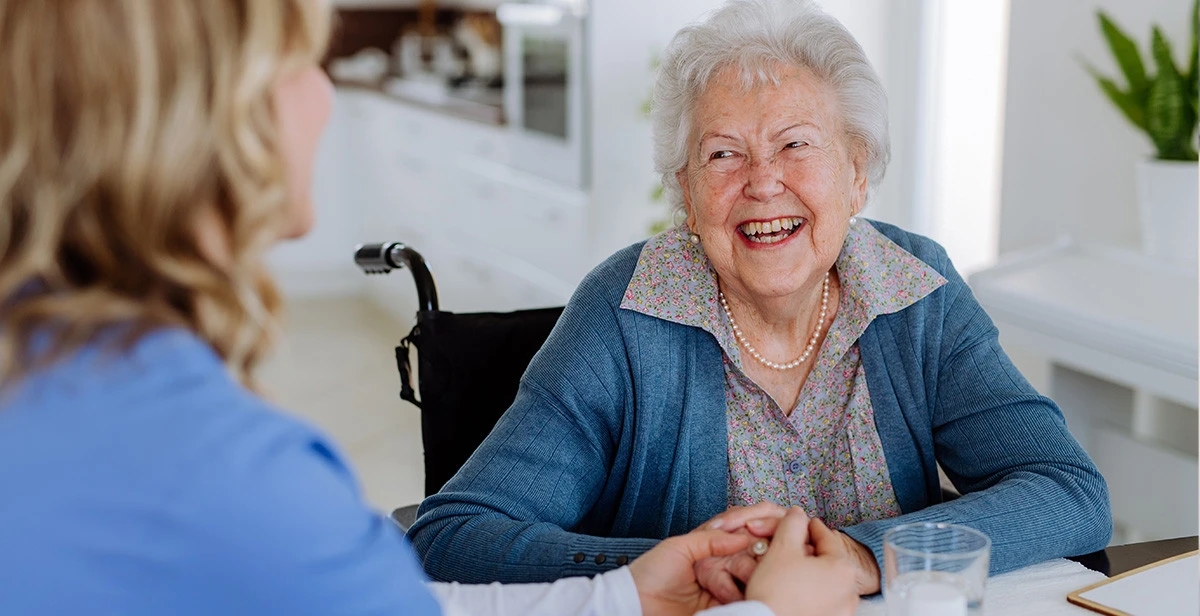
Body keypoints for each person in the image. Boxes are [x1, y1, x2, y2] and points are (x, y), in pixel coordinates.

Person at [0, 1, 860, 615]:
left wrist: (624, 593)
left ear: (859, 173)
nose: (328, 94)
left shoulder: (48, 377)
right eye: (302, 60)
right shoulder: (229, 479)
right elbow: (437, 546)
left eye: (797, 146)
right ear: (206, 120)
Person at [408, 0, 1113, 600]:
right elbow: (452, 534)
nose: (763, 181)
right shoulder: (622, 313)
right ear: (685, 192)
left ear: (857, 173)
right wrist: (668, 573)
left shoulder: (915, 291)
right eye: (723, 154)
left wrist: (862, 559)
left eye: (795, 144)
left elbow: (1068, 488)